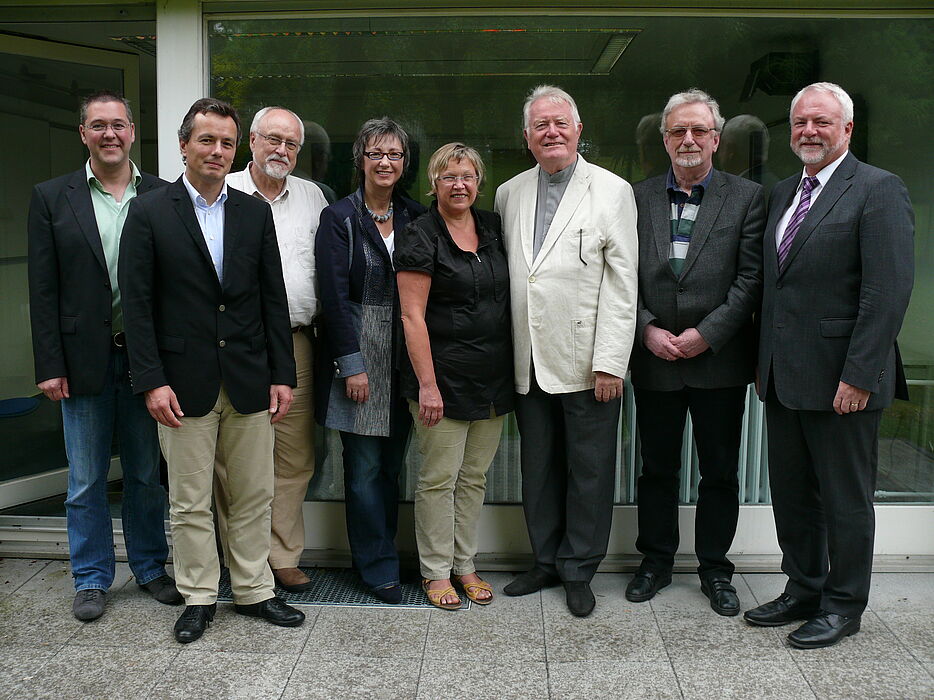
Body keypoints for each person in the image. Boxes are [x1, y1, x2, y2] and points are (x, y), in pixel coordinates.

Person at [119, 98, 304, 643]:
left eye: (226, 142)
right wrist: (150, 380)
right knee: (189, 500)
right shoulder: (151, 210)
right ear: (183, 145)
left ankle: (253, 589)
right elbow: (138, 305)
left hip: (248, 376)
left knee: (253, 495)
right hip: (180, 382)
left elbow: (274, 299)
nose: (217, 151)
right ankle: (198, 596)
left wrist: (283, 375)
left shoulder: (253, 212)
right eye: (206, 140)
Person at [745, 82, 913, 649]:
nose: (808, 131)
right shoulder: (785, 192)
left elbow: (886, 292)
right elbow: (777, 288)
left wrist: (860, 375)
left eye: (821, 121)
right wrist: (761, 364)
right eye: (799, 123)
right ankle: (803, 588)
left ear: (847, 129)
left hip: (845, 381)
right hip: (784, 378)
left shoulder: (878, 190)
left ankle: (844, 604)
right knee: (793, 495)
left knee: (844, 499)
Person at [27, 90, 179, 622]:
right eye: (98, 126)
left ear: (133, 131)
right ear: (83, 134)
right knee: (87, 478)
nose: (109, 134)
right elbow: (42, 289)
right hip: (81, 358)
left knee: (144, 474)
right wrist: (49, 364)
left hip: (146, 361)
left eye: (118, 125)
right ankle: (91, 576)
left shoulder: (161, 194)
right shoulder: (52, 197)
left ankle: (151, 567)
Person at [495, 85, 639, 617]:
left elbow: (623, 285)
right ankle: (545, 561)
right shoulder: (509, 193)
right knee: (540, 468)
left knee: (589, 470)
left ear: (579, 130)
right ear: (526, 136)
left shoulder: (612, 191)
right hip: (528, 359)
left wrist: (611, 361)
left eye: (560, 123)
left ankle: (579, 569)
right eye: (540, 125)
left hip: (587, 362)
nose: (550, 132)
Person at [626, 89, 764, 615]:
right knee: (656, 468)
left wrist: (708, 333)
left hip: (719, 361)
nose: (688, 140)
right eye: (677, 131)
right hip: (655, 355)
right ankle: (656, 562)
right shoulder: (634, 198)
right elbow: (618, 276)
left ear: (716, 138)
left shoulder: (748, 197)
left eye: (699, 131)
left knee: (720, 471)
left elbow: (751, 278)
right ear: (664, 139)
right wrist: (645, 330)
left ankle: (715, 569)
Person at [395, 143, 513, 610]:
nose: (459, 184)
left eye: (467, 176)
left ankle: (466, 565)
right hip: (439, 379)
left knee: (474, 478)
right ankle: (436, 572)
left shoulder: (493, 228)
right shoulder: (421, 235)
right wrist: (427, 385)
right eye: (449, 177)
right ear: (434, 184)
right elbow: (411, 317)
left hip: (493, 377)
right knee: (439, 479)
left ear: (478, 182)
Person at [314, 117, 427, 603]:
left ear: (404, 164)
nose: (385, 162)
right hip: (359, 351)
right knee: (361, 469)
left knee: (391, 467)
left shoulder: (417, 216)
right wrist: (351, 364)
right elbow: (334, 298)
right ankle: (375, 567)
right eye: (376, 153)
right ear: (360, 159)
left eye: (395, 155)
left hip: (404, 355)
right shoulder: (338, 217)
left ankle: (391, 554)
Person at [219, 106, 329, 592]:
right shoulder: (224, 193)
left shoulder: (313, 199)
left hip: (297, 342)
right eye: (273, 140)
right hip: (238, 346)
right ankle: (243, 559)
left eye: (291, 144)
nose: (281, 150)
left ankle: (282, 555)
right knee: (235, 458)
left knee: (294, 456)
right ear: (252, 142)